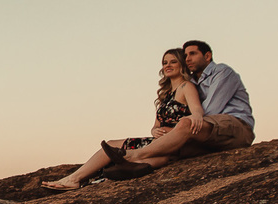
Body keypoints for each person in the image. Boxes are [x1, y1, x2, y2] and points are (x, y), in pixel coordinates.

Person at [42, 48, 204, 191]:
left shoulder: (186, 87)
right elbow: (155, 126)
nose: (167, 65)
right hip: (158, 140)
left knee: (118, 150)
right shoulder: (165, 94)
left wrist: (193, 117)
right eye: (164, 62)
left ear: (181, 64)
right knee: (112, 144)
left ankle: (74, 179)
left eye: (173, 62)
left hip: (175, 143)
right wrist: (155, 130)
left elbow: (196, 111)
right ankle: (74, 178)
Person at [101, 40, 254, 180]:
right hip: (209, 135)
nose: (187, 58)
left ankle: (132, 156)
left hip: (234, 126)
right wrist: (164, 131)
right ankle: (139, 166)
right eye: (185, 55)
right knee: (171, 148)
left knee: (185, 126)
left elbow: (211, 109)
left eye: (192, 54)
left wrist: (176, 129)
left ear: (207, 56)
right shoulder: (192, 81)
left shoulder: (222, 72)